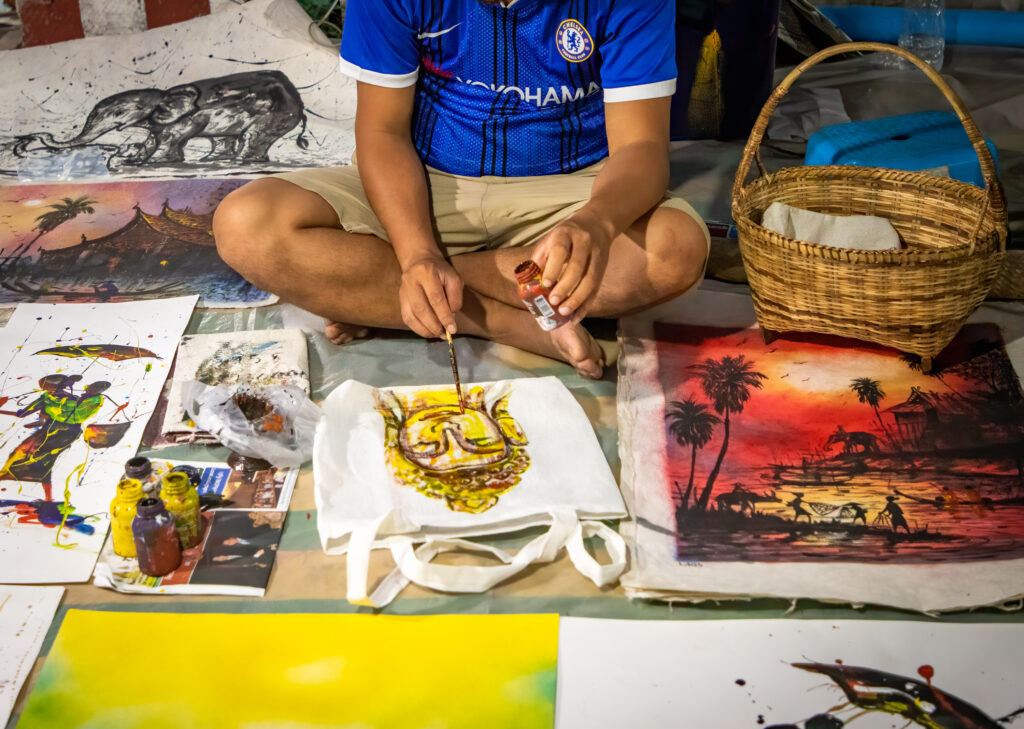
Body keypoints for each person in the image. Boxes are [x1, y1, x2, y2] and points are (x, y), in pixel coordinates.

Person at [213, 0, 709, 380]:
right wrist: (415, 255)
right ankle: (503, 319)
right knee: (247, 224)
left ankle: (392, 302)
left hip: (570, 192)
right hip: (423, 182)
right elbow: (382, 134)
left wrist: (596, 223)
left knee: (674, 250)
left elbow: (641, 148)